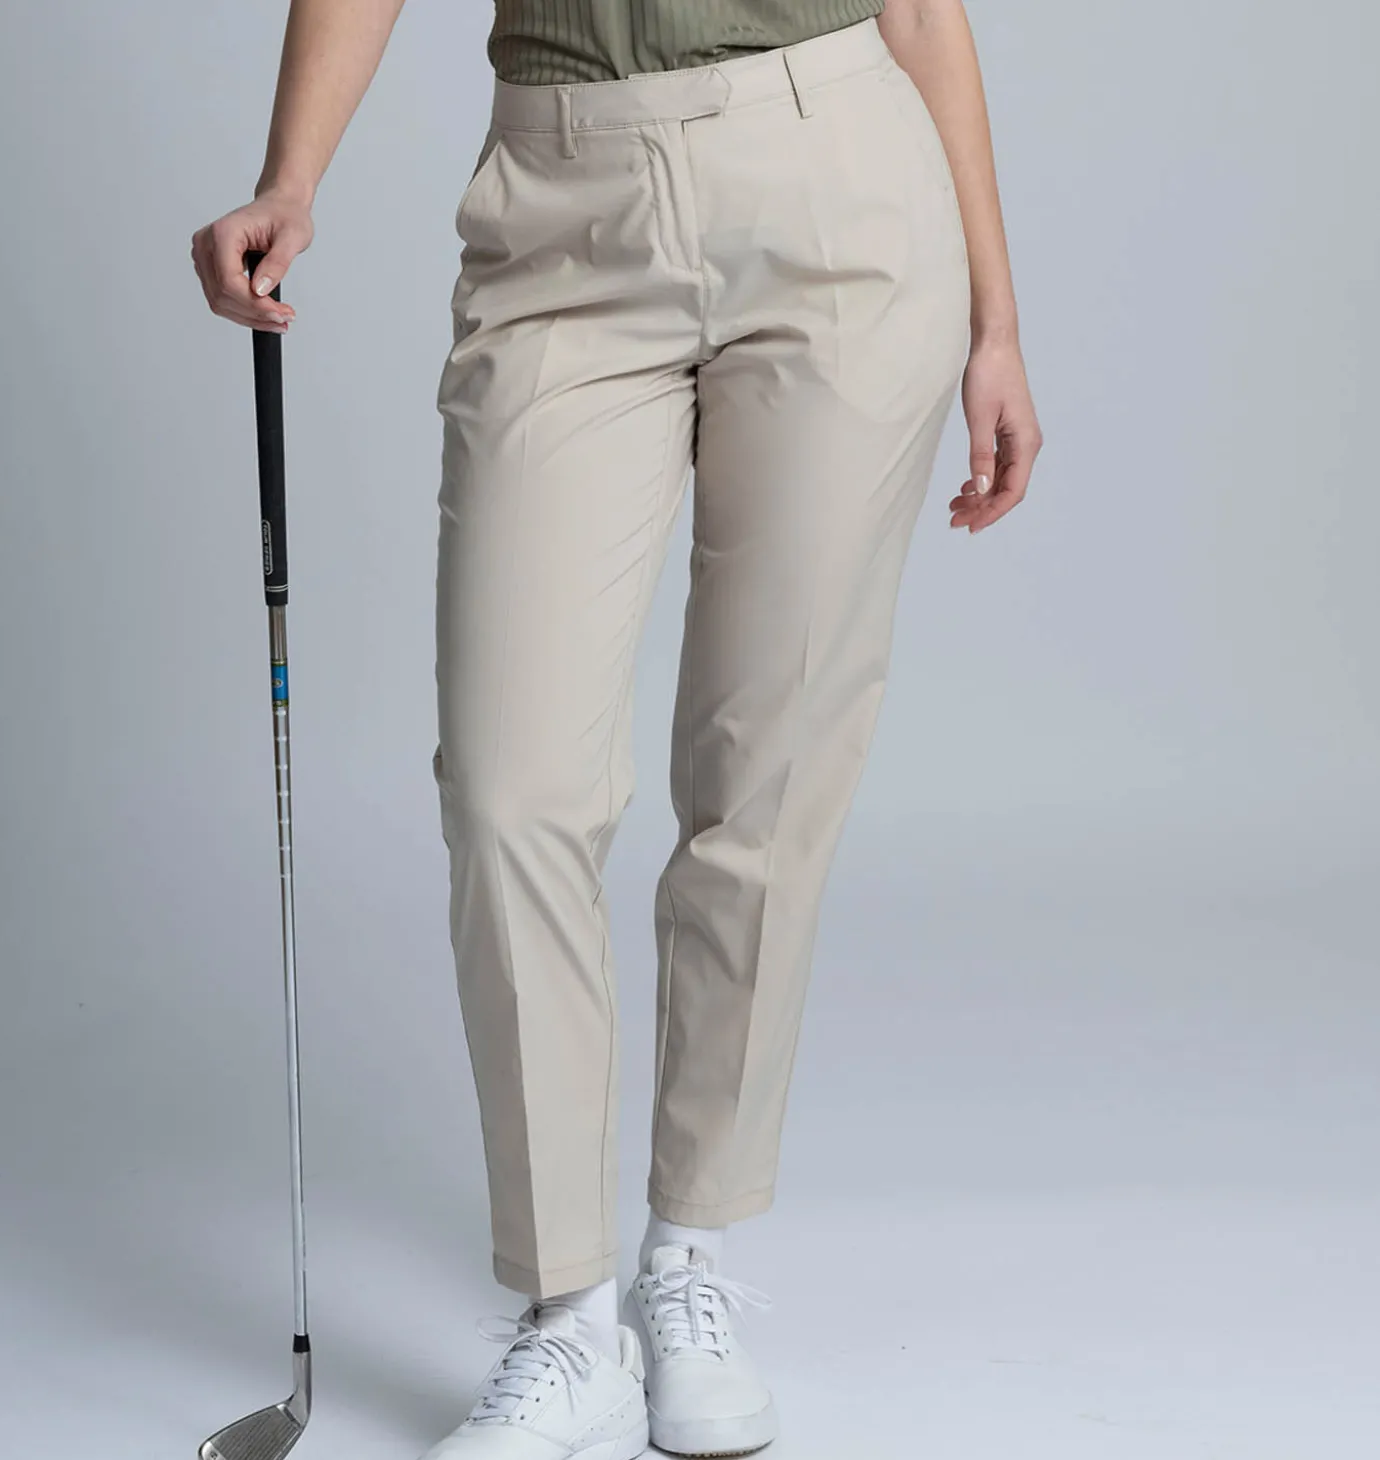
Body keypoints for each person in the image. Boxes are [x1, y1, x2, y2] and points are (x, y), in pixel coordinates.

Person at [192, 3, 1042, 1455]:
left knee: (769, 768)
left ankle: (686, 1253)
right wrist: (292, 175)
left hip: (838, 188)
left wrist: (998, 325)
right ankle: (568, 1315)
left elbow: (917, 4)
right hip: (562, 204)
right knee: (508, 788)